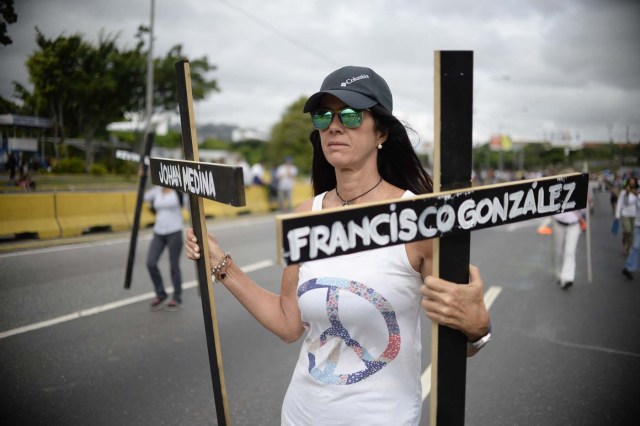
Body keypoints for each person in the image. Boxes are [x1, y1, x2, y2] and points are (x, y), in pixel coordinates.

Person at [184, 65, 491, 425]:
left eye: (350, 115)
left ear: (381, 132)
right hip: (301, 415)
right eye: (323, 116)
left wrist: (477, 328)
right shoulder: (306, 215)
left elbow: (461, 341)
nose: (334, 125)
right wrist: (223, 266)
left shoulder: (418, 220)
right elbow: (288, 325)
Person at [144, 186, 187, 310]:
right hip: (158, 232)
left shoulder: (179, 191)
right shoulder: (157, 190)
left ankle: (177, 298)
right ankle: (161, 293)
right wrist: (142, 177)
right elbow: (144, 196)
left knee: (174, 266)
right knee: (150, 263)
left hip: (175, 231)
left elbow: (190, 206)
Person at [552, 210, 583, 289]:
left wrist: (588, 202)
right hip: (558, 223)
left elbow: (585, 208)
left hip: (574, 225)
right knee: (558, 250)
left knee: (570, 252)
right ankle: (558, 273)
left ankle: (567, 278)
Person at [615, 176, 638, 256]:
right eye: (630, 182)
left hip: (634, 214)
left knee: (631, 233)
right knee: (627, 231)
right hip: (625, 214)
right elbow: (620, 203)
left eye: (633, 182)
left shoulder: (637, 192)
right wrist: (617, 214)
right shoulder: (623, 192)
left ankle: (628, 248)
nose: (631, 183)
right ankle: (625, 243)